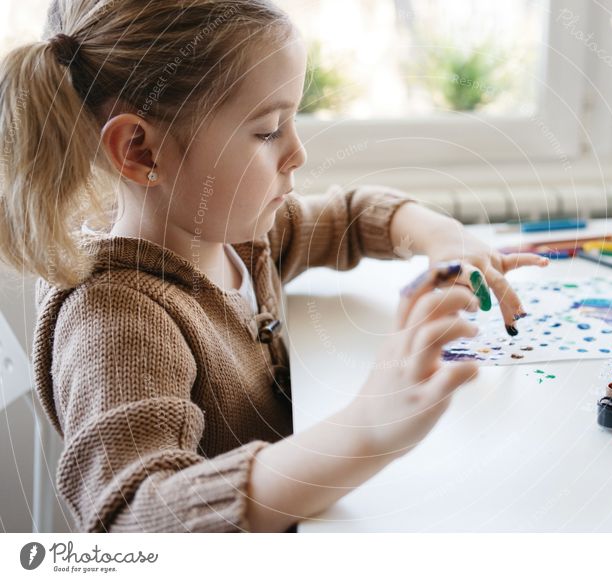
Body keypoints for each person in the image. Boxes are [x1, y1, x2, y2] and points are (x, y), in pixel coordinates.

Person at [0, 0, 548, 532]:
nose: (298, 154)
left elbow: (352, 216)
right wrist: (361, 432)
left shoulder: (237, 239)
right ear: (141, 151)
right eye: (267, 131)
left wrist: (445, 240)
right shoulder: (116, 321)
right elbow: (138, 518)